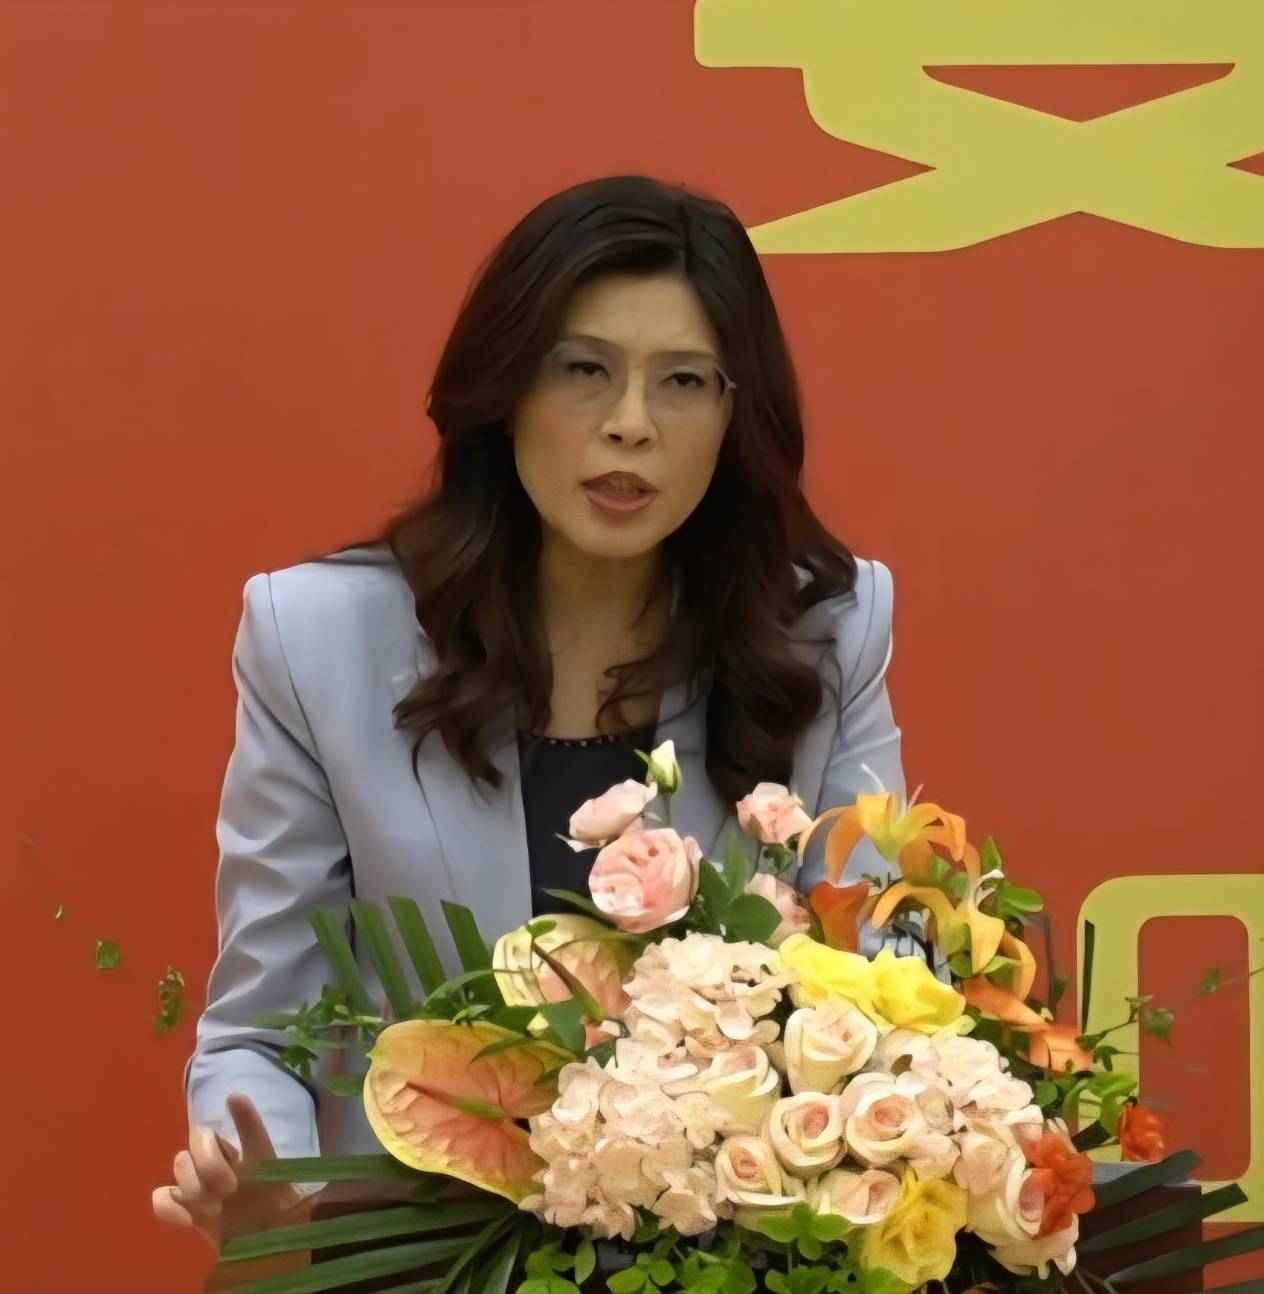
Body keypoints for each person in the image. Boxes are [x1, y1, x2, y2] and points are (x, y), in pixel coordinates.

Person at [151, 174, 917, 1256]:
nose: (629, 424)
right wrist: (273, 1178)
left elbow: (891, 989)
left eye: (683, 381)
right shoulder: (319, 640)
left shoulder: (822, 633)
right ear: (507, 386)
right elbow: (263, 1032)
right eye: (584, 370)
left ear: (735, 414)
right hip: (428, 1263)